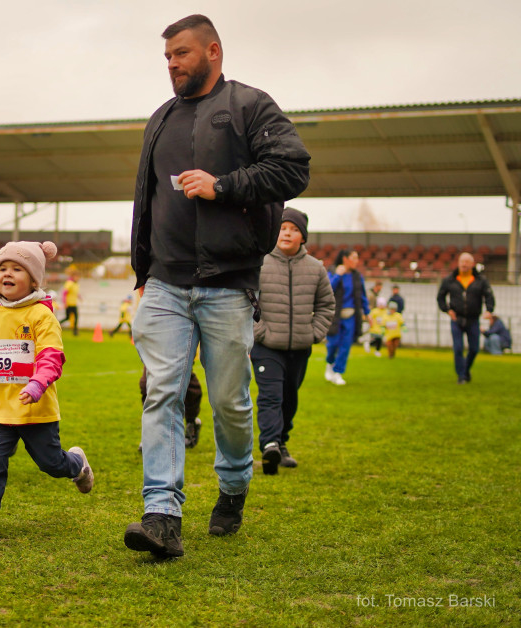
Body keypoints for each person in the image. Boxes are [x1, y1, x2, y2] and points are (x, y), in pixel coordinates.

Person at [124, 14, 311, 558]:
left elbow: (293, 168)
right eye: (166, 57)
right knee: (162, 391)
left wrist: (223, 186)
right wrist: (142, 272)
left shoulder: (251, 105)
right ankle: (162, 514)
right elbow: (148, 199)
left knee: (230, 402)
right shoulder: (159, 119)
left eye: (180, 53)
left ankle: (233, 488)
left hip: (229, 285)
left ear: (212, 51)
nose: (172, 64)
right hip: (163, 284)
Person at [0, 241, 93, 543]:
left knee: (52, 464)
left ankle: (77, 464)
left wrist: (38, 384)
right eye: (2, 268)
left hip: (36, 412)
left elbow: (52, 357)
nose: (6, 274)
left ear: (34, 280)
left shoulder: (41, 316)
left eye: (17, 269)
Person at [251, 208, 334, 475]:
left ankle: (281, 442)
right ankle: (270, 445)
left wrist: (314, 333)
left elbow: (326, 305)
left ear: (303, 236)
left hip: (300, 348)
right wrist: (259, 332)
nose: (287, 233)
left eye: (294, 229)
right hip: (266, 347)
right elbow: (247, 302)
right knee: (270, 396)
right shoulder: (259, 263)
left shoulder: (316, 269)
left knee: (290, 398)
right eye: (283, 228)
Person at [437, 252, 496, 383]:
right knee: (458, 348)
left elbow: (489, 296)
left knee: (474, 349)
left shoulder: (480, 280)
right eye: (462, 261)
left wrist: (489, 310)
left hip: (473, 320)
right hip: (456, 319)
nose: (464, 264)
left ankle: (465, 370)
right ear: (458, 263)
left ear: (472, 264)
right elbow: (440, 297)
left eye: (467, 262)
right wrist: (447, 310)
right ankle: (462, 376)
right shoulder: (450, 280)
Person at [324, 249, 369, 386]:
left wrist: (367, 313)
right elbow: (327, 289)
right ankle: (329, 363)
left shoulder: (357, 276)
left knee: (345, 346)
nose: (357, 261)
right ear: (345, 259)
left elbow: (362, 296)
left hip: (351, 316)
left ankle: (338, 372)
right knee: (333, 344)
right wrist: (338, 275)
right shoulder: (332, 271)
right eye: (354, 258)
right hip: (334, 315)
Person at [59, 271, 81, 336]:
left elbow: (75, 292)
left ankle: (75, 331)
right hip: (69, 304)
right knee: (67, 317)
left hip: (74, 304)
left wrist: (79, 296)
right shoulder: (69, 283)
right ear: (73, 277)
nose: (77, 278)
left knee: (76, 317)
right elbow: (64, 293)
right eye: (76, 277)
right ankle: (57, 324)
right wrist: (65, 303)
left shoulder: (76, 284)